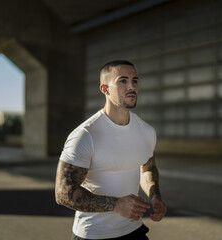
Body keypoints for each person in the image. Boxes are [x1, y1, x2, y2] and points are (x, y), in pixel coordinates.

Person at [55, 60, 167, 240]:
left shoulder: (146, 131)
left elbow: (147, 168)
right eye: (123, 81)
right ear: (105, 89)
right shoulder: (86, 135)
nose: (131, 86)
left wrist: (155, 196)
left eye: (135, 80)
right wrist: (116, 205)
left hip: (133, 231)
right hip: (93, 235)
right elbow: (63, 193)